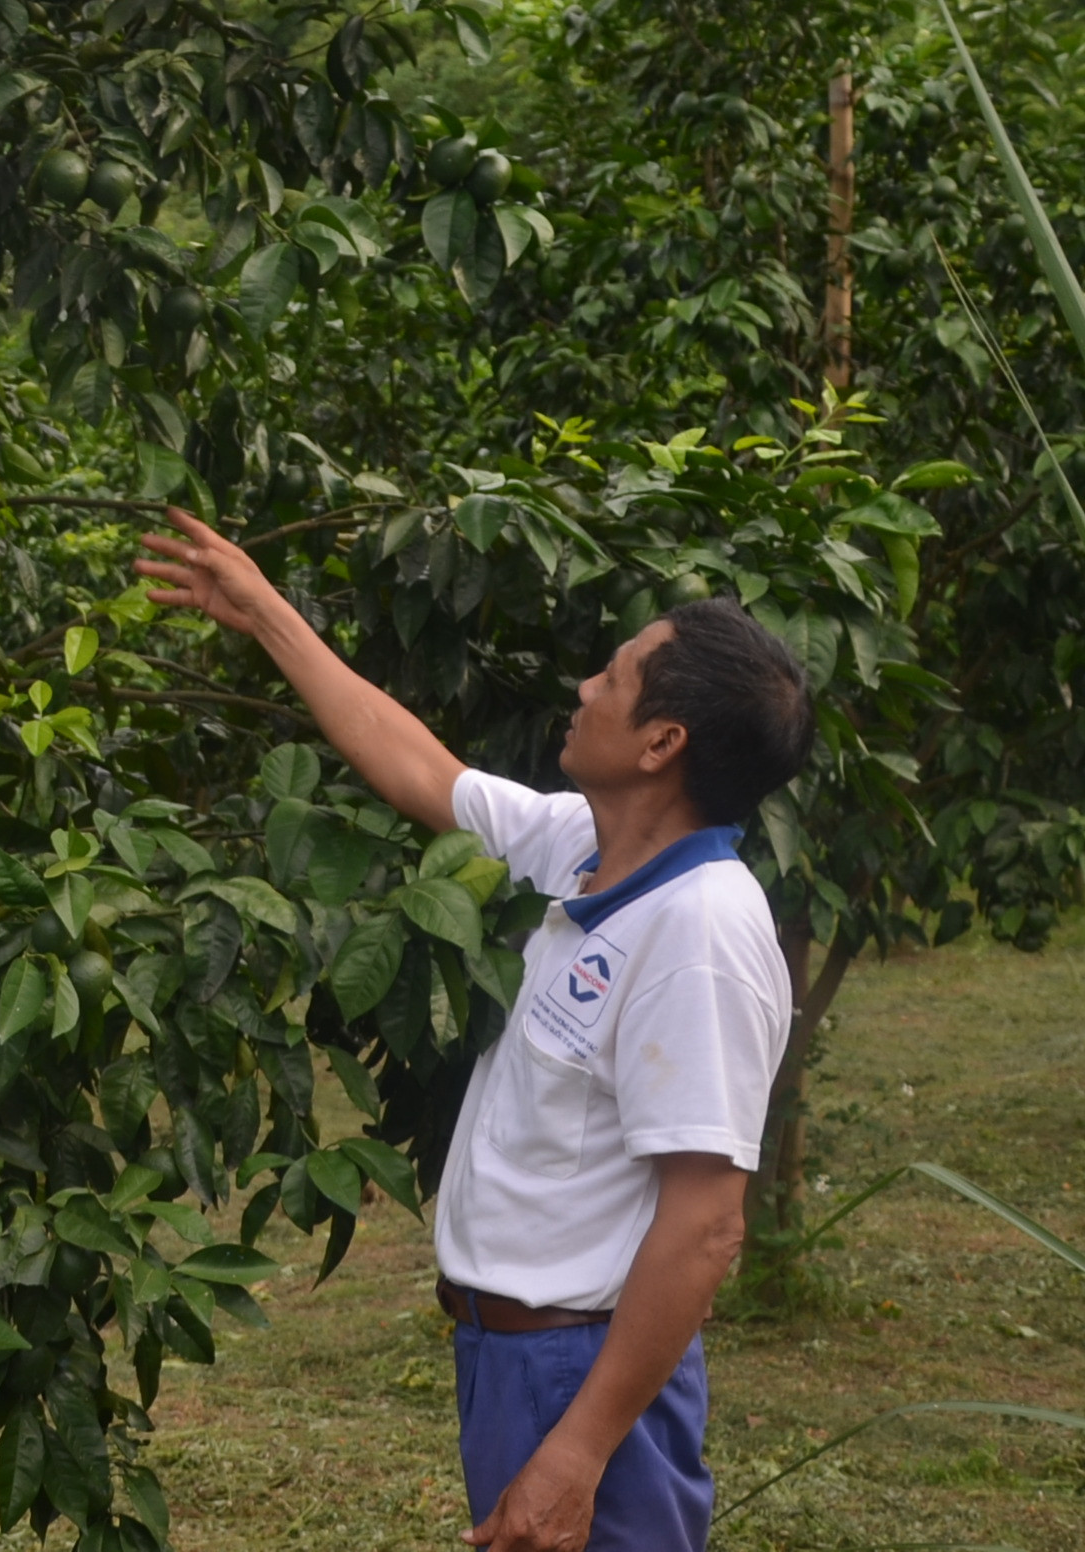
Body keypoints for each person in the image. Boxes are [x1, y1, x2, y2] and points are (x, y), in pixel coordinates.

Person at [136, 512, 811, 1552]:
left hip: (583, 1370)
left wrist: (579, 1451)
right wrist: (266, 614)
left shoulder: (699, 931)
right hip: (512, 1358)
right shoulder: (589, 849)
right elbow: (420, 771)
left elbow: (706, 1224)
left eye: (617, 678)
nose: (586, 688)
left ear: (661, 744)